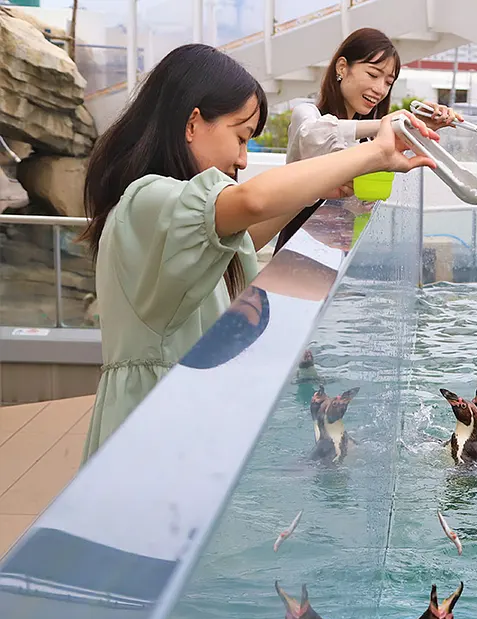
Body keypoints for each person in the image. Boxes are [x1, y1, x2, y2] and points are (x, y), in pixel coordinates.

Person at [78, 43, 439, 464]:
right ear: (193, 122)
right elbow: (250, 202)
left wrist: (320, 191)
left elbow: (244, 238)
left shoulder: (173, 214)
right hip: (150, 427)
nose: (243, 159)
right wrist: (374, 153)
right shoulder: (149, 198)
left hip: (177, 412)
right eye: (240, 137)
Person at [274, 27, 461, 253]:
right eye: (373, 75)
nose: (379, 89)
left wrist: (420, 125)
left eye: (388, 81)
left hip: (339, 252)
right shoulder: (307, 114)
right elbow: (314, 135)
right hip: (297, 249)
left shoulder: (371, 139)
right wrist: (390, 125)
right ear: (342, 67)